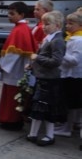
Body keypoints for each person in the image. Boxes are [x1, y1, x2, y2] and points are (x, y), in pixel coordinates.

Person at [25, 11, 66, 146]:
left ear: (58, 25)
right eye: (43, 24)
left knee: (46, 108)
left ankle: (49, 135)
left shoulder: (57, 41)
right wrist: (32, 65)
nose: (43, 27)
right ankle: (33, 134)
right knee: (39, 107)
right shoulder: (48, 38)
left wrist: (37, 58)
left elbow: (56, 61)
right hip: (42, 77)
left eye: (47, 24)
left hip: (50, 79)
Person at [0, 2, 37, 130]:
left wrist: (3, 66)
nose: (9, 16)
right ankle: (12, 119)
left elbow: (13, 54)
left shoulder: (19, 30)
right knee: (14, 95)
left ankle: (10, 120)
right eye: (9, 13)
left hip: (15, 70)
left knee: (12, 97)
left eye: (12, 14)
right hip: (18, 68)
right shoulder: (23, 28)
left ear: (22, 14)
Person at [57, 12, 82, 140]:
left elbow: (75, 60)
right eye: (66, 23)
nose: (67, 26)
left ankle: (67, 128)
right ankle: (66, 125)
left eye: (71, 24)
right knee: (69, 102)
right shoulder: (71, 38)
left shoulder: (78, 40)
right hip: (68, 74)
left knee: (71, 103)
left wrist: (61, 54)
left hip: (73, 76)